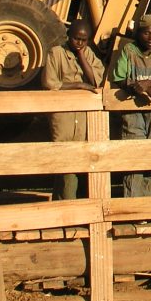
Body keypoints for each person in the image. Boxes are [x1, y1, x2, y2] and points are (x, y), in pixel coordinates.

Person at [110, 14, 151, 197]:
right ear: (139, 33)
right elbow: (119, 78)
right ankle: (131, 200)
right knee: (134, 151)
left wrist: (148, 85)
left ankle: (146, 202)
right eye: (146, 33)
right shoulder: (129, 50)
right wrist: (136, 88)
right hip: (132, 107)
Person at [42, 18, 105, 201]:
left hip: (84, 115)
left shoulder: (89, 54)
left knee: (82, 158)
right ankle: (64, 202)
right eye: (77, 39)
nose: (80, 43)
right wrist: (78, 85)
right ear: (69, 36)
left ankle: (73, 202)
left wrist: (82, 56)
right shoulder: (56, 53)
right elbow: (50, 83)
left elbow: (95, 81)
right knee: (64, 158)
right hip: (64, 114)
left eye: (84, 40)